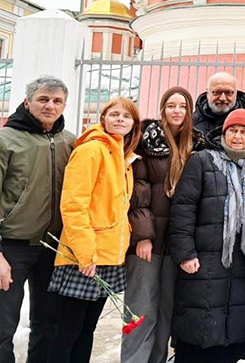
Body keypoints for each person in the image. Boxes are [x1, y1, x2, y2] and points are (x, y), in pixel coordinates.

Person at [47, 97, 141, 363]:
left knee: (87, 329)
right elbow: (74, 204)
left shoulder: (121, 156)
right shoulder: (91, 150)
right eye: (114, 114)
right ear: (103, 118)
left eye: (126, 116)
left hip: (109, 256)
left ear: (133, 123)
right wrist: (85, 254)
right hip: (85, 256)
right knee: (68, 330)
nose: (120, 119)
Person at [168, 109, 245, 362]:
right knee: (199, 325)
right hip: (203, 261)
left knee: (233, 328)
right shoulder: (203, 161)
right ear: (224, 132)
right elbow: (183, 208)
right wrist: (185, 253)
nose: (238, 136)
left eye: (244, 131)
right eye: (233, 130)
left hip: (241, 262)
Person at [121, 87, 206, 363]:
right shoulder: (146, 141)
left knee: (166, 310)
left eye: (182, 106)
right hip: (149, 240)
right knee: (141, 309)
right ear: (163, 109)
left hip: (178, 241)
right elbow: (138, 191)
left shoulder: (198, 145)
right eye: (171, 105)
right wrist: (143, 236)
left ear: (190, 111)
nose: (177, 111)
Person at [0, 77, 75, 363]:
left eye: (57, 101)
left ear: (64, 105)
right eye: (43, 99)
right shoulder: (6, 139)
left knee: (49, 323)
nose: (50, 105)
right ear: (27, 101)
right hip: (12, 247)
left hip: (54, 248)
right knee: (3, 326)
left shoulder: (69, 141)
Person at [193, 72, 245, 157]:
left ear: (236, 93)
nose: (222, 98)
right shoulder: (191, 124)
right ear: (207, 92)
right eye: (217, 92)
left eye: (228, 92)